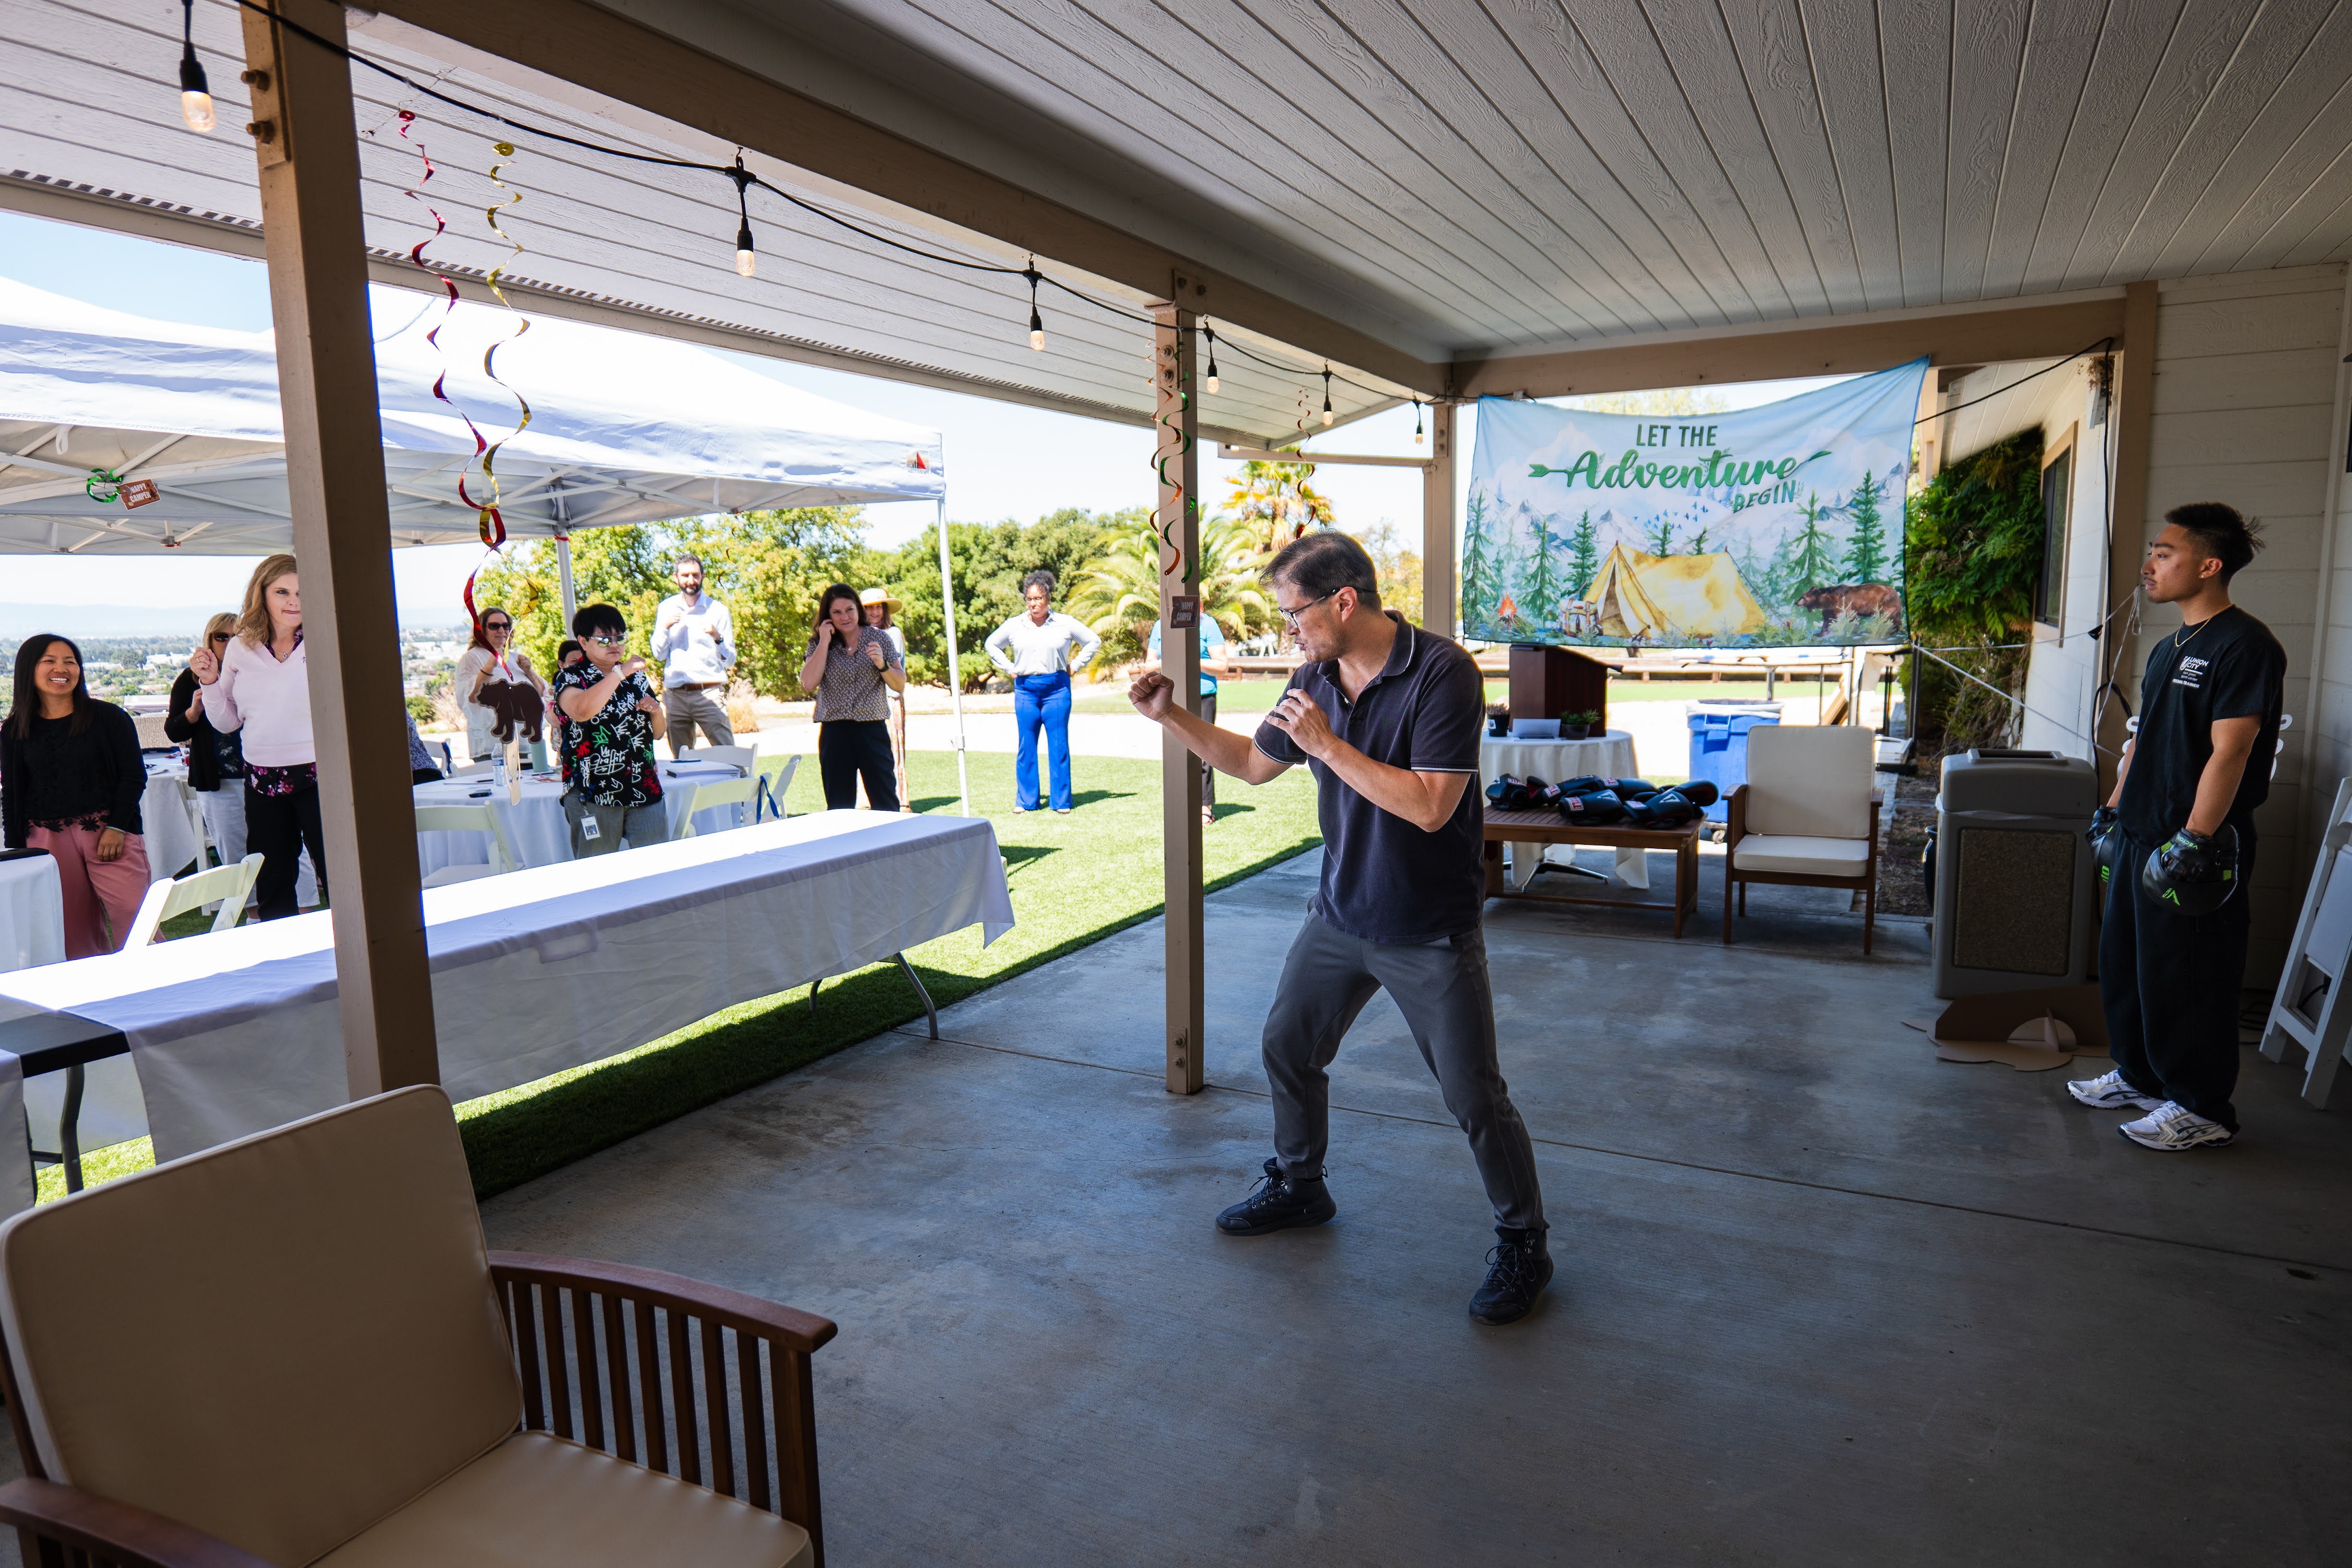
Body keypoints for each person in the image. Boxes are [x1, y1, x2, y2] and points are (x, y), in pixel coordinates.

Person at [1128, 532, 1552, 1325]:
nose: (1288, 629)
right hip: (1339, 915)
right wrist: (1169, 715)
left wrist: (1328, 743)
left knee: (1472, 1093)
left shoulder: (1441, 673)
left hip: (1427, 928)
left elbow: (1431, 805)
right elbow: (1253, 765)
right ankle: (1299, 1185)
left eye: (1295, 613)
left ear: (1344, 602)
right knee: (1287, 1045)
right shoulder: (1313, 676)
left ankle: (1524, 1240)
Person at [2074, 504, 2285, 1151]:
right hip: (2137, 833)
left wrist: (2193, 840)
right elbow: (2142, 740)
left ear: (2208, 564)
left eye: (2164, 553)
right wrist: (2112, 806)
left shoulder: (2244, 645)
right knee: (2129, 968)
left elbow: (2233, 750)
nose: (2149, 565)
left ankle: (2202, 1109)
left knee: (2189, 978)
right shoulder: (2170, 647)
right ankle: (2140, 1077)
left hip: (2191, 847)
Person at [194, 554, 327, 922]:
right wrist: (208, 681)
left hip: (323, 774)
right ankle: (283, 965)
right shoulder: (240, 647)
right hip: (263, 780)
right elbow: (226, 722)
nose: (294, 601)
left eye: (302, 591)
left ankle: (356, 961)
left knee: (340, 873)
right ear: (262, 594)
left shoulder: (327, 638)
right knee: (272, 885)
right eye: (282, 591)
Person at [0, 634, 150, 958]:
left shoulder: (109, 718)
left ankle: (162, 993)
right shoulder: (14, 730)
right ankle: (92, 1000)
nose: (62, 668)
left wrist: (118, 827)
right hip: (44, 841)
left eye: (70, 661)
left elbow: (134, 775)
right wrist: (16, 851)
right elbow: (11, 792)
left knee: (137, 921)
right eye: (50, 661)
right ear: (29, 669)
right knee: (68, 930)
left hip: (110, 833)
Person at [553, 604, 667, 856]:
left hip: (643, 786)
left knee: (657, 869)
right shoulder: (571, 677)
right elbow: (581, 711)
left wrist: (656, 712)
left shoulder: (637, 679)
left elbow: (658, 733)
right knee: (598, 877)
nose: (614, 645)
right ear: (583, 642)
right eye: (604, 639)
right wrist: (619, 672)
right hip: (593, 793)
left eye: (620, 637)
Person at [985, 570, 1101, 814]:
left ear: (1048, 598)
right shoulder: (1015, 624)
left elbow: (1093, 641)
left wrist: (1076, 666)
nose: (1033, 604)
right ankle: (1026, 801)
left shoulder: (1065, 623)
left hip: (1057, 688)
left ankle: (1061, 802)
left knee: (1059, 746)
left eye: (1038, 599)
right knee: (1026, 745)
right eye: (1029, 599)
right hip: (1026, 690)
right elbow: (991, 644)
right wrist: (1009, 668)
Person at [799, 583, 905, 811]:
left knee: (886, 803)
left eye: (849, 610)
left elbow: (899, 685)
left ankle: (890, 846)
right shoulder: (818, 643)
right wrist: (825, 643)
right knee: (839, 807)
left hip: (872, 730)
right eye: (837, 612)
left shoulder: (879, 639)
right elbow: (808, 682)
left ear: (858, 610)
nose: (845, 617)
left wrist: (882, 665)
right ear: (828, 616)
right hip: (835, 732)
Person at [166, 612, 248, 875]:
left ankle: (300, 909)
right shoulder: (189, 680)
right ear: (209, 641)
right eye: (222, 637)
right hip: (218, 783)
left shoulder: (257, 674)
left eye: (237, 636)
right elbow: (173, 732)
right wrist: (193, 712)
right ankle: (254, 915)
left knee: (284, 848)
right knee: (234, 855)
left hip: (263, 776)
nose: (229, 642)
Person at [1148, 612, 1235, 824]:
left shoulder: (1208, 624)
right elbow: (1149, 664)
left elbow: (1222, 666)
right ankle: (1179, 803)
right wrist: (1166, 660)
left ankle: (1205, 806)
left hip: (1203, 695)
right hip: (1171, 697)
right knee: (1176, 751)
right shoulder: (1160, 626)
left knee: (1203, 751)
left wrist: (1189, 659)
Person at [652, 554, 737, 756]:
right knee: (682, 761)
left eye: (695, 575)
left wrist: (717, 637)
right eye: (685, 575)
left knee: (729, 756)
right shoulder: (666, 608)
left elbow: (730, 660)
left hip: (709, 692)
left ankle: (742, 788)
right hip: (675, 696)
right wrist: (664, 627)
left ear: (703, 576)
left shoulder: (718, 610)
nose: (691, 581)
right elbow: (659, 654)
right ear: (676, 578)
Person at [453, 606, 545, 764]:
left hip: (524, 743)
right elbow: (472, 698)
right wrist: (490, 667)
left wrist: (529, 671)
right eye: (495, 626)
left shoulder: (514, 657)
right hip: (492, 747)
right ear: (482, 630)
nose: (502, 630)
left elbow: (542, 692)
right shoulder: (473, 657)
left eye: (506, 626)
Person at [863, 587, 912, 814]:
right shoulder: (858, 635)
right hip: (866, 702)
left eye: (878, 607)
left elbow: (897, 672)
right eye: (870, 607)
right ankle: (865, 798)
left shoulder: (892, 633)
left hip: (890, 699)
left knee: (893, 750)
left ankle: (901, 799)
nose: (875, 612)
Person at [550, 639, 585, 788]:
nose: (578, 666)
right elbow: (555, 720)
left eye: (582, 661)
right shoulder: (553, 690)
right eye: (573, 662)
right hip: (567, 755)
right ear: (561, 664)